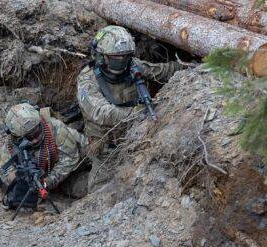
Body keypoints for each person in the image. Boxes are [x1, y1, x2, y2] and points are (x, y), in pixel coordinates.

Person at [76, 25, 185, 191]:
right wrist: (136, 113)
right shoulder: (88, 80)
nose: (121, 61)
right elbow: (100, 112)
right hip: (107, 147)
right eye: (116, 57)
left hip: (136, 137)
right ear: (102, 56)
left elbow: (162, 71)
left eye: (125, 57)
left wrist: (193, 67)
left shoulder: (132, 66)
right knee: (100, 193)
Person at [0, 103, 88, 202]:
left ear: (40, 124)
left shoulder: (56, 128)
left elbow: (70, 159)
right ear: (16, 137)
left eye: (37, 133)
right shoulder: (12, 143)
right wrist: (20, 180)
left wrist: (47, 182)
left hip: (81, 163)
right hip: (52, 171)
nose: (35, 140)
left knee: (82, 188)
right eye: (29, 137)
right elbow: (4, 170)